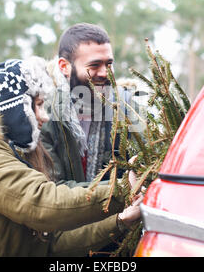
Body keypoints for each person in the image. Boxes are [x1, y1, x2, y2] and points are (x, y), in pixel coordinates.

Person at [0, 57, 142, 257]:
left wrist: (120, 221)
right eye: (38, 105)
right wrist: (121, 190)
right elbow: (43, 204)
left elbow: (51, 244)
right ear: (15, 110)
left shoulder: (16, 156)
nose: (44, 116)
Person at [41, 23, 143, 187]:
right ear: (64, 66)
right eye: (94, 65)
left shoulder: (128, 108)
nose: (105, 73)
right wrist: (122, 187)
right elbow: (52, 188)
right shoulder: (44, 113)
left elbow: (145, 169)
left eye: (109, 64)